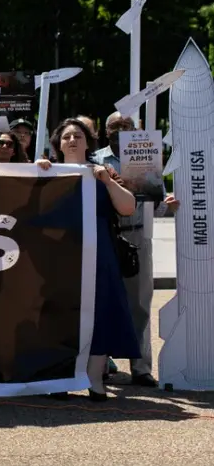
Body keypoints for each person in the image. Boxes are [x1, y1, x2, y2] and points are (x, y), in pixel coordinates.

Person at [37, 118, 142, 400]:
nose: (72, 140)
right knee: (59, 314)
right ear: (58, 144)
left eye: (78, 136)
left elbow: (128, 207)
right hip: (59, 257)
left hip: (99, 254)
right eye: (67, 136)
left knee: (101, 312)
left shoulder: (103, 172)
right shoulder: (47, 171)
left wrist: (107, 181)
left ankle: (95, 378)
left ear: (88, 142)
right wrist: (39, 174)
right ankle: (60, 376)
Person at [91, 112, 179, 387]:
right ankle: (102, 364)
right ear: (107, 132)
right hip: (107, 236)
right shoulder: (95, 160)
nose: (121, 130)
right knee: (103, 302)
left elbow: (156, 199)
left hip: (139, 234)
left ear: (135, 129)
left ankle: (141, 368)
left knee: (139, 303)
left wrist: (168, 204)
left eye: (126, 126)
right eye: (115, 127)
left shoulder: (146, 155)